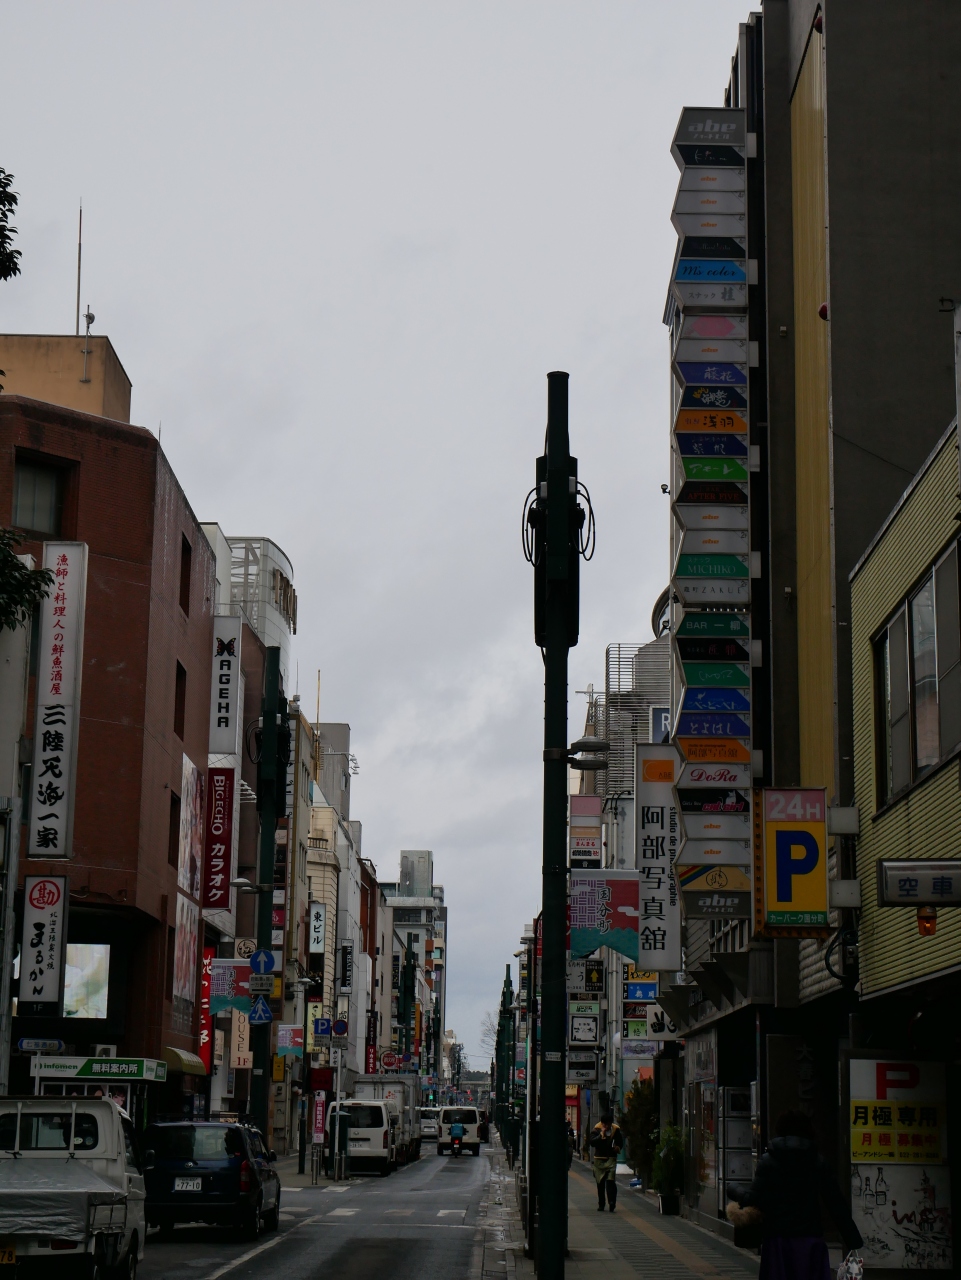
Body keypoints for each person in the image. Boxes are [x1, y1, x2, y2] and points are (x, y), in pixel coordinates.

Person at [727, 1110, 863, 1280]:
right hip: (810, 1240)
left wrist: (734, 1189)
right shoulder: (818, 1162)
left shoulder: (768, 1161)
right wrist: (853, 1240)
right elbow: (836, 1203)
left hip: (778, 1241)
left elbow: (754, 1199)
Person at [588, 1112, 623, 1211]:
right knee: (600, 1183)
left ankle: (612, 1202)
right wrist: (601, 1134)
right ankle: (601, 1204)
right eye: (605, 1124)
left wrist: (617, 1147)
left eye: (609, 1124)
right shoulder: (596, 1129)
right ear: (602, 1123)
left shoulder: (615, 1129)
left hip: (611, 1158)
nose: (607, 1126)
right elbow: (592, 1142)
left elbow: (620, 1142)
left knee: (611, 1181)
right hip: (599, 1159)